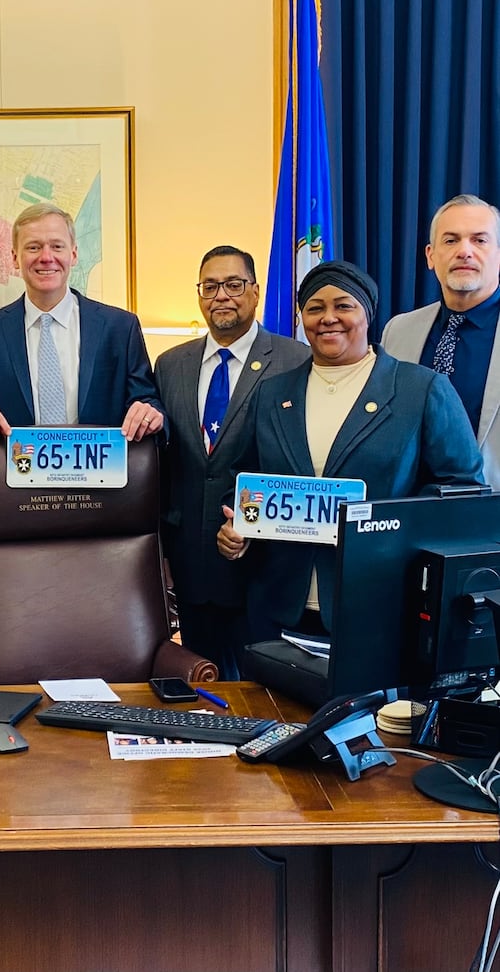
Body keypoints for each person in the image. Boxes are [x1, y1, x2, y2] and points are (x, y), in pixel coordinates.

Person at [218, 260, 484, 644]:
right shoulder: (272, 394)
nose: (328, 318)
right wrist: (236, 527)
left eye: (343, 306)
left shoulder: (421, 390)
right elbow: (240, 478)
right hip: (277, 613)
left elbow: (463, 492)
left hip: (377, 608)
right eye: (314, 308)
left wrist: (389, 524)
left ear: (367, 314)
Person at [154, 246, 309, 677]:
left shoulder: (295, 360)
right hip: (189, 561)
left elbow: (296, 462)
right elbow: (165, 465)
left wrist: (249, 520)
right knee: (201, 686)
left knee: (261, 692)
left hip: (260, 565)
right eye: (210, 286)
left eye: (234, 284)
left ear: (256, 292)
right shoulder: (170, 365)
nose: (221, 295)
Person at [0, 203, 165, 440]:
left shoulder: (120, 328)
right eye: (33, 247)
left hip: (100, 471)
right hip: (12, 471)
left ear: (73, 254)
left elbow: (147, 402)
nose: (46, 257)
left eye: (57, 246)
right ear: (15, 258)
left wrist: (148, 414)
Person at [382, 194, 500, 489]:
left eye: (480, 240)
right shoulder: (398, 331)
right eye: (450, 240)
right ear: (430, 256)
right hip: (409, 515)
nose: (465, 251)